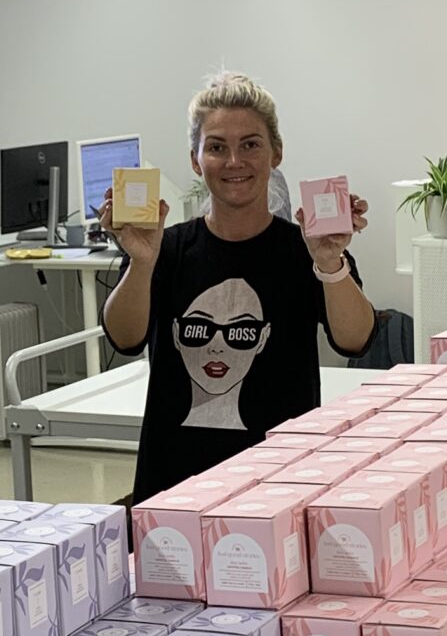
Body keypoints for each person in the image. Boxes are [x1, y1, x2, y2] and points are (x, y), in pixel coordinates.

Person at [102, 72, 377, 501]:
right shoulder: (164, 250)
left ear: (276, 153)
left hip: (282, 479)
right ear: (196, 160)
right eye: (216, 147)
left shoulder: (305, 251)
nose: (234, 161)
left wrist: (329, 264)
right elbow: (124, 338)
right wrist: (140, 261)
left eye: (250, 144)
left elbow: (355, 340)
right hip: (175, 481)